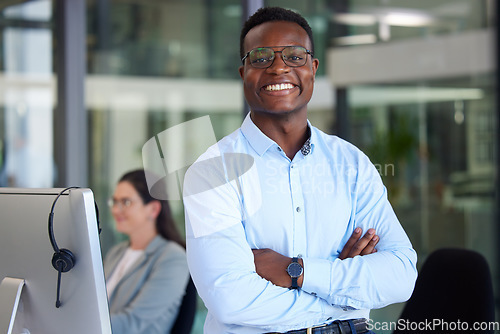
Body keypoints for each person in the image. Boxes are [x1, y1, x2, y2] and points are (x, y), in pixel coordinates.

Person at [183, 6, 417, 334]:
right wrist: (346, 300)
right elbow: (231, 299)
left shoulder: (351, 164)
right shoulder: (212, 173)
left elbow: (401, 275)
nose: (279, 67)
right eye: (261, 57)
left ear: (313, 68)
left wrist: (296, 271)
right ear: (243, 73)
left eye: (295, 56)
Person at [104, 169, 189, 334]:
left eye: (126, 202)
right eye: (114, 202)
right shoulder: (116, 252)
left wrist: (74, 326)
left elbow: (133, 323)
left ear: (153, 209)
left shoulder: (172, 257)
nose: (115, 210)